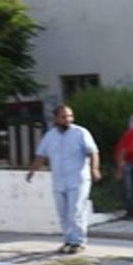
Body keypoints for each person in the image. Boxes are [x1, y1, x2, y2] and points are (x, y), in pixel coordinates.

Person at [25, 105, 100, 254]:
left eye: (70, 116)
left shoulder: (80, 133)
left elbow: (93, 152)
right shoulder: (50, 136)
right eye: (64, 117)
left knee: (76, 211)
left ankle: (79, 242)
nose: (68, 119)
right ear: (56, 119)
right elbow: (41, 155)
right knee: (63, 213)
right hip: (59, 181)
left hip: (78, 179)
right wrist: (32, 171)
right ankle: (68, 240)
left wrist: (94, 169)